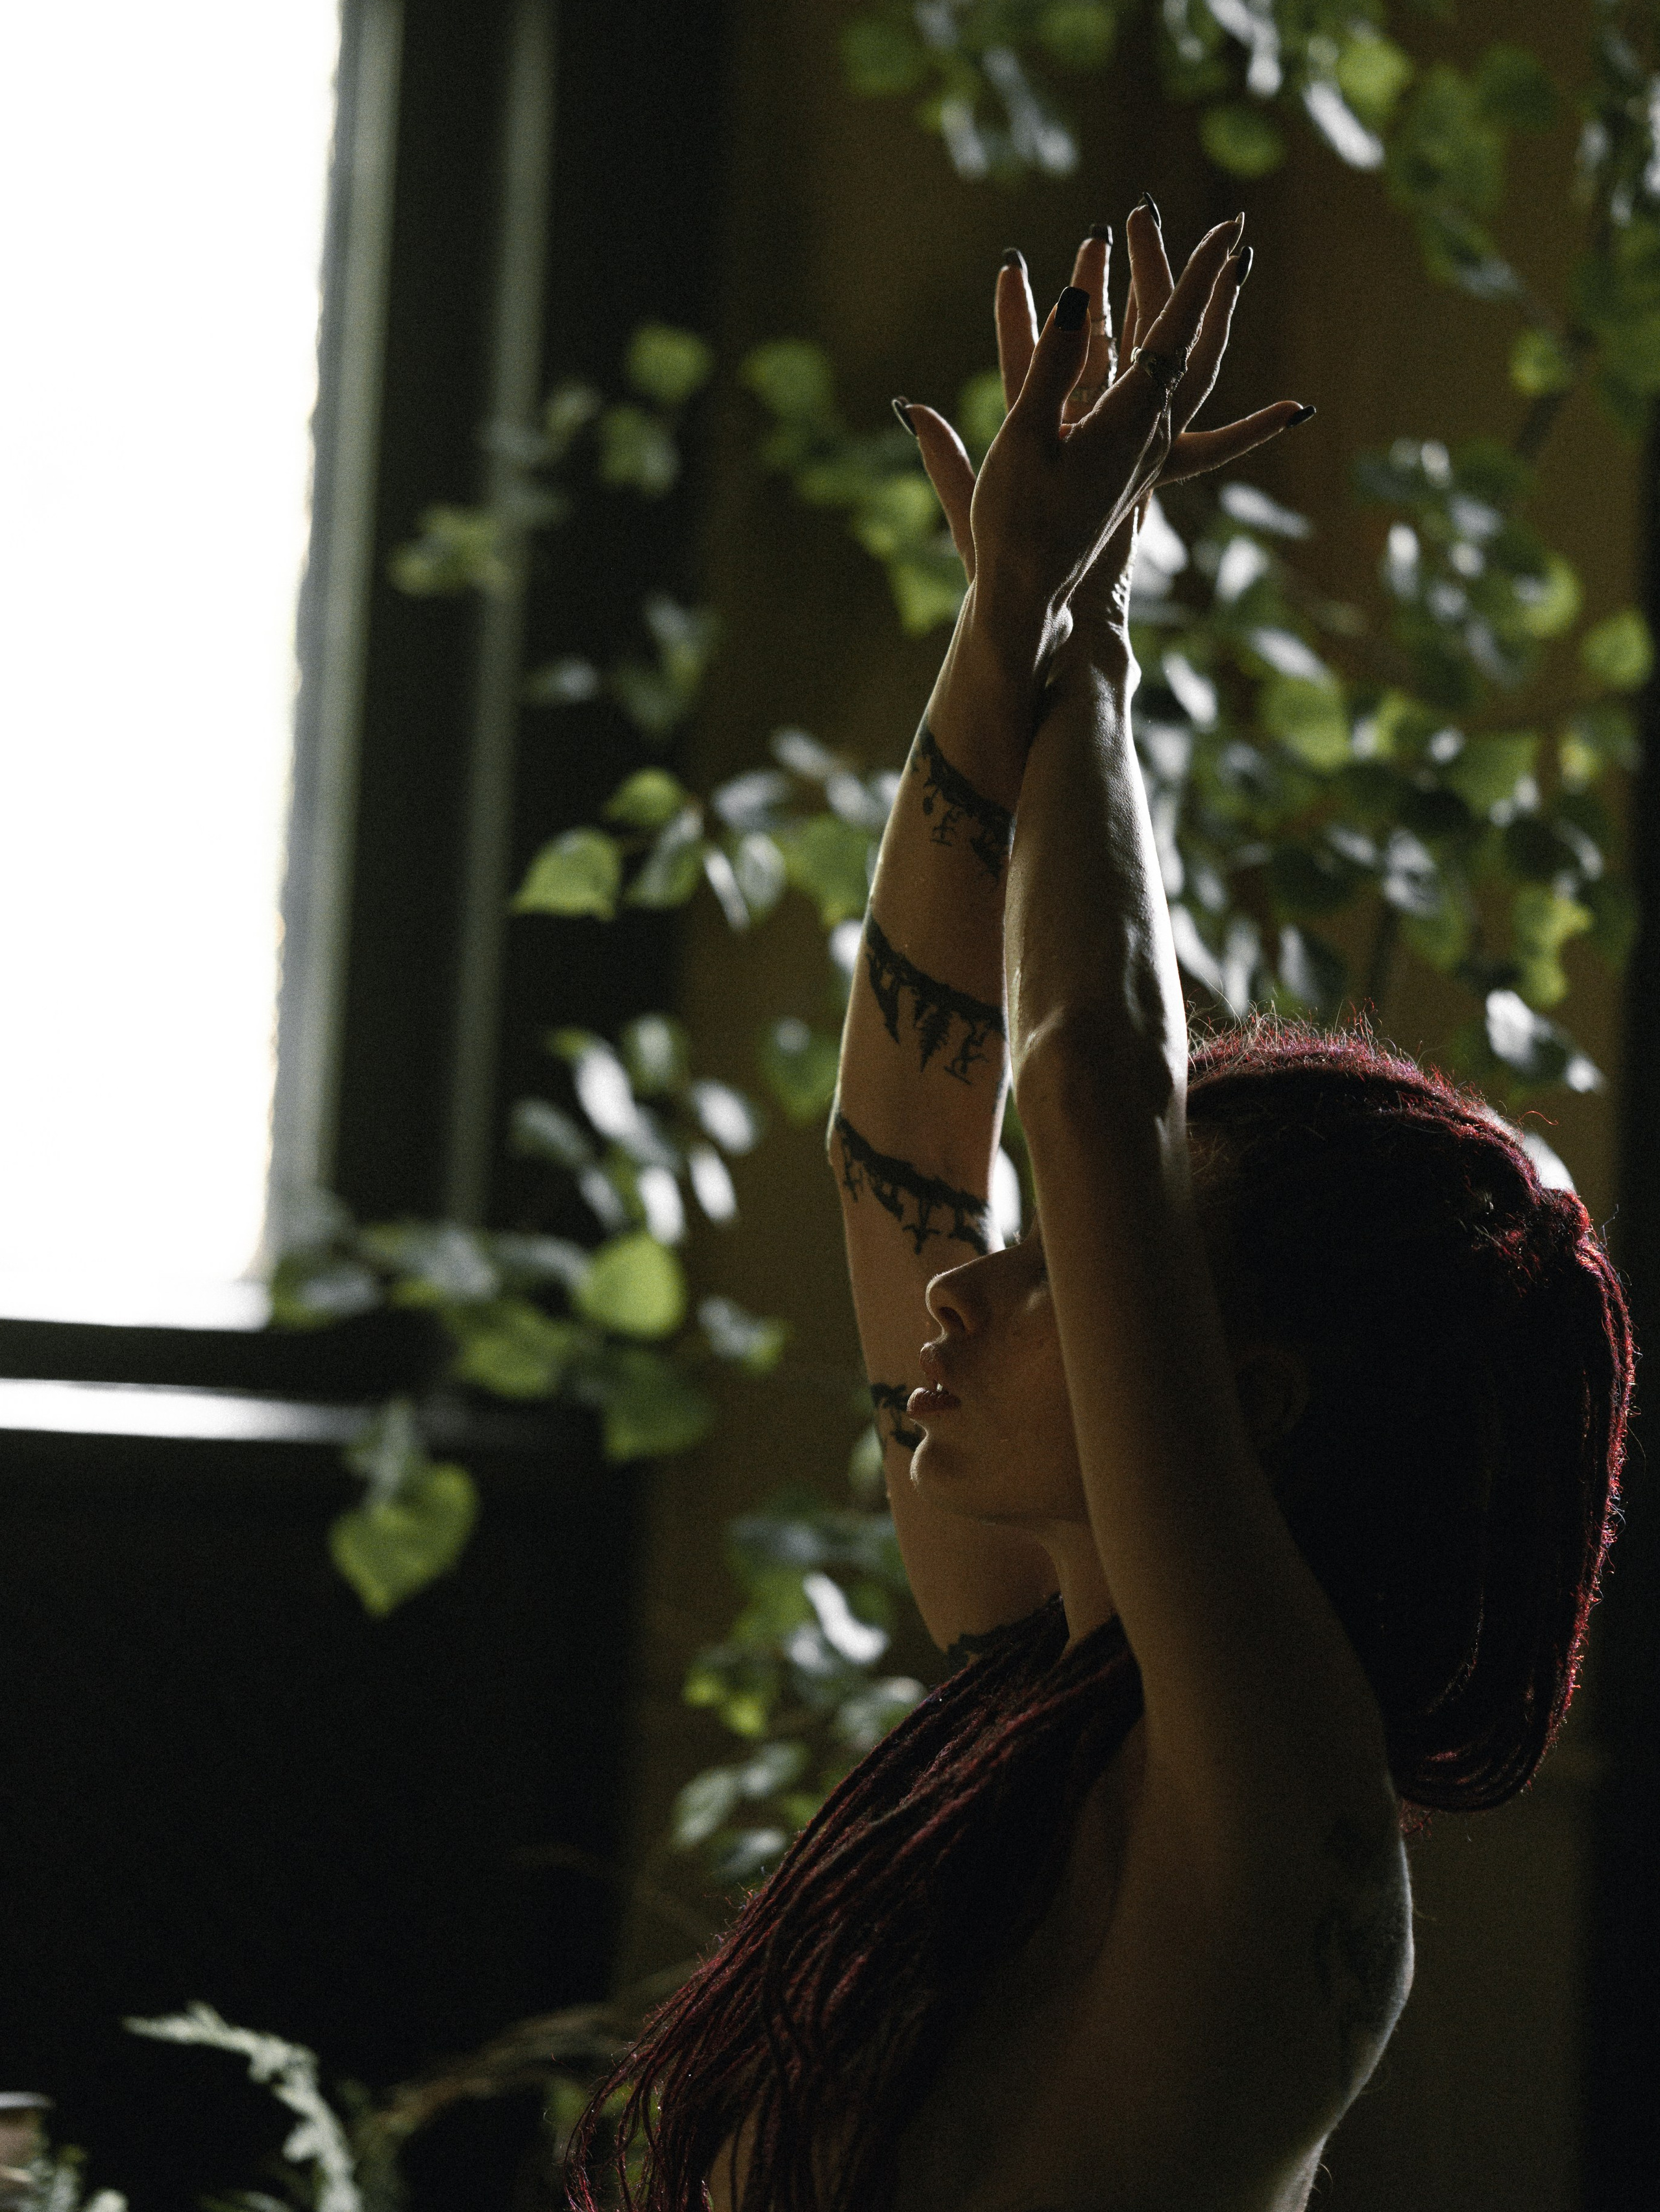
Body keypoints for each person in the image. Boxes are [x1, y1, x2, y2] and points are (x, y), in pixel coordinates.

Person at [563, 208, 1636, 2212]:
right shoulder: (1037, 1685)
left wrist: (1096, 639)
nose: (966, 1287)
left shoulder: (1277, 1801)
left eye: (1063, 1261)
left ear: (1250, 1395)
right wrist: (1003, 631)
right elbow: (897, 1137)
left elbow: (1086, 1080)